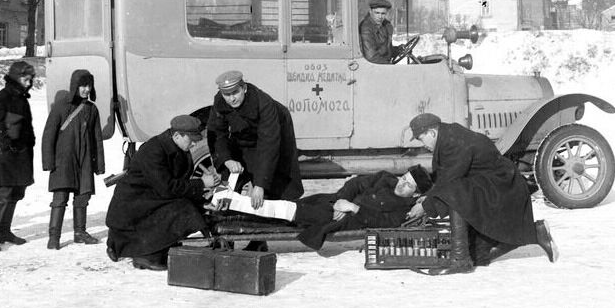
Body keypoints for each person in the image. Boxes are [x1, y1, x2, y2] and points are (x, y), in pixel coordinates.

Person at [406, 112, 557, 275]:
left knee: (455, 192)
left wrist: (425, 206)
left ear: (432, 133)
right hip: (492, 186)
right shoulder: (448, 136)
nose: (423, 144)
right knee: (478, 256)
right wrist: (428, 196)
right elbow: (445, 175)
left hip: (503, 188)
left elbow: (450, 181)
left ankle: (460, 260)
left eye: (421, 138)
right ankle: (535, 233)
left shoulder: (453, 142)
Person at [105, 115, 221, 270]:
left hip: (149, 202)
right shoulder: (153, 151)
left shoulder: (178, 149)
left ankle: (151, 249)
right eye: (191, 139)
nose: (194, 144)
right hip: (132, 209)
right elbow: (167, 188)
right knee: (183, 210)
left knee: (188, 208)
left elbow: (179, 186)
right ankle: (146, 256)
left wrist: (202, 203)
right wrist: (202, 183)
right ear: (177, 135)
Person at [208, 70, 304, 252]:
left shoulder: (263, 103)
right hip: (243, 139)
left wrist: (260, 184)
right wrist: (227, 159)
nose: (231, 99)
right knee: (227, 184)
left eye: (235, 93)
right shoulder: (220, 102)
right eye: (226, 95)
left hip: (274, 136)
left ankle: (259, 240)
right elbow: (216, 135)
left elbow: (268, 147)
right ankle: (225, 237)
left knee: (265, 193)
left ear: (244, 88)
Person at [293, 165, 433, 250]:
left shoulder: (405, 209)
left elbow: (383, 222)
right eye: (403, 178)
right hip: (337, 201)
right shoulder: (385, 178)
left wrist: (354, 208)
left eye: (408, 184)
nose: (401, 183)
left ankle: (277, 213)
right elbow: (356, 183)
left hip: (350, 218)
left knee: (300, 213)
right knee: (300, 205)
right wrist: (342, 201)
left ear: (416, 192)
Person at [41, 69, 106, 250]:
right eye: (82, 85)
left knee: (82, 197)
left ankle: (79, 232)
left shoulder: (92, 109)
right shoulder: (61, 107)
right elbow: (48, 136)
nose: (86, 89)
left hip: (84, 161)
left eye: (89, 86)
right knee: (60, 198)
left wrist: (99, 164)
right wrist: (48, 162)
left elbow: (97, 140)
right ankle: (54, 237)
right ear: (74, 86)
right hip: (64, 160)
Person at [0, 61, 36, 252]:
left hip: (20, 154)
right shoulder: (2, 98)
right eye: (25, 79)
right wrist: (5, 142)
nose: (28, 83)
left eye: (30, 80)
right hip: (4, 155)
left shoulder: (21, 98)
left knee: (16, 192)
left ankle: (3, 231)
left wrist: (30, 141)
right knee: (2, 192)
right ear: (15, 78)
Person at [358, 0, 400, 64]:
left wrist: (398, 50)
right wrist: (390, 67)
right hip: (373, 67)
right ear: (370, 11)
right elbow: (371, 57)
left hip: (382, 64)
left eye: (383, 13)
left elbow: (385, 49)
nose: (380, 17)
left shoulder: (385, 26)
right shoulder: (366, 27)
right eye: (377, 13)